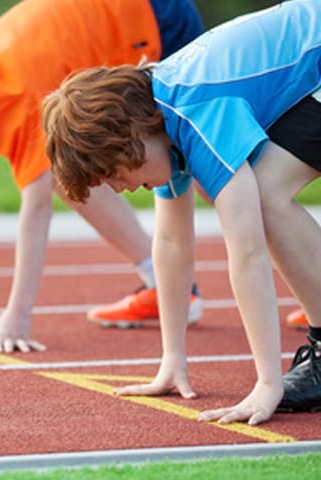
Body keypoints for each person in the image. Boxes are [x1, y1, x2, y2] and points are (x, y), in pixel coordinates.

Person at [42, 0, 321, 422]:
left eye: (114, 173)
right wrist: (173, 357)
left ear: (131, 138)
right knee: (264, 192)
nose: (122, 188)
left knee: (263, 195)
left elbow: (247, 255)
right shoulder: (160, 122)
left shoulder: (195, 112)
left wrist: (268, 383)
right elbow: (171, 242)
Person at [0, 0, 205, 352]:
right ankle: (167, 284)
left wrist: (18, 314)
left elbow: (35, 209)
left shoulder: (14, 92)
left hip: (154, 17)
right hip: (126, 16)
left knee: (204, 165)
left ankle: (202, 276)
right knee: (72, 175)